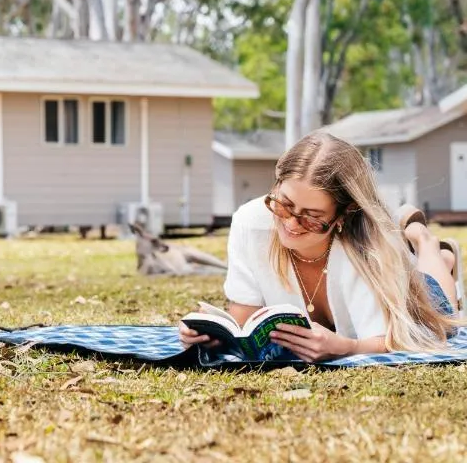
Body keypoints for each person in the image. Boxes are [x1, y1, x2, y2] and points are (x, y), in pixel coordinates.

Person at [179, 132, 463, 362]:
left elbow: (397, 340)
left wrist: (348, 348)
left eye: (313, 218)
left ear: (343, 215)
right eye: (285, 205)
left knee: (443, 308)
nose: (291, 223)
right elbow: (243, 317)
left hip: (413, 289)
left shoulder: (367, 245)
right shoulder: (251, 223)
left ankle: (426, 241)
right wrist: (213, 334)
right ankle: (408, 232)